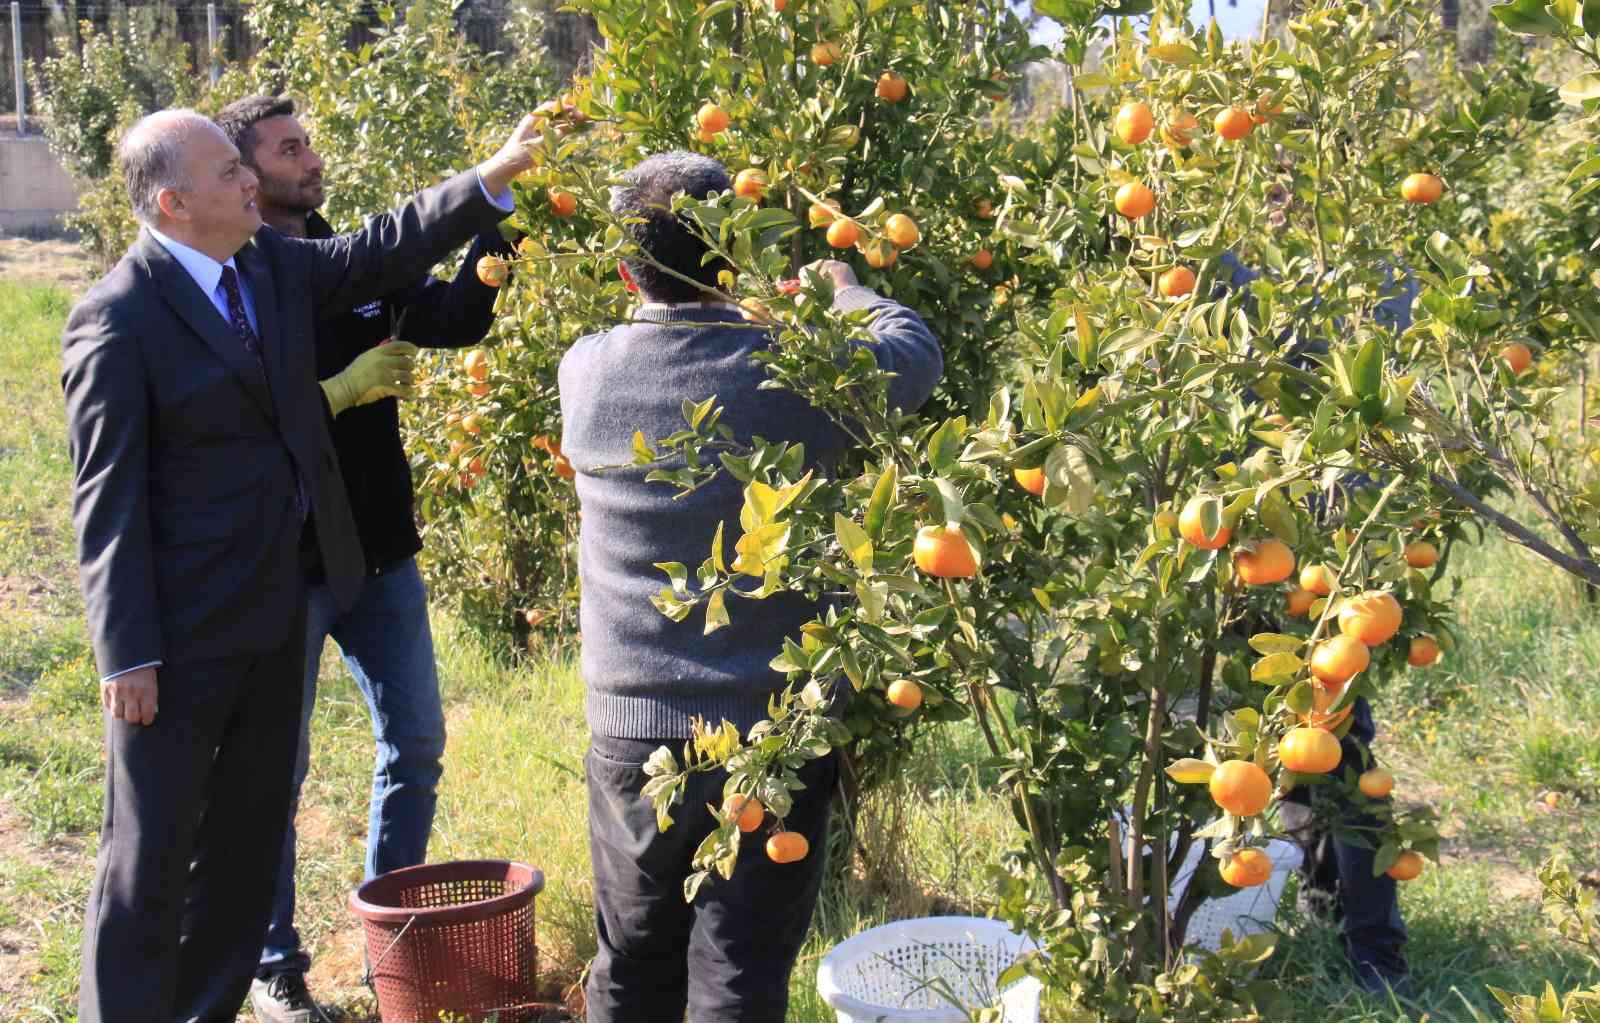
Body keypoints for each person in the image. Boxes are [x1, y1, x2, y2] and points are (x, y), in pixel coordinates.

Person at [62, 106, 535, 1023]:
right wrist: (126, 653)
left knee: (243, 850)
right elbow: (105, 499)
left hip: (277, 614)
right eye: (227, 170)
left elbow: (377, 251)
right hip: (179, 638)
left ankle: (203, 1009)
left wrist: (488, 180)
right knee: (149, 858)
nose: (249, 179)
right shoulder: (117, 319)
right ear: (172, 200)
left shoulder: (270, 268)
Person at [558, 151, 943, 1022]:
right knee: (737, 969)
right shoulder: (796, 377)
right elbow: (913, 353)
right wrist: (841, 293)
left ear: (626, 270)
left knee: (631, 957)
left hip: (632, 730)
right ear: (747, 255)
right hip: (771, 730)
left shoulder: (585, 371)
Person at [213, 94, 517, 1023]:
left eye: (308, 144)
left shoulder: (350, 257)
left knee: (416, 741)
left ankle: (395, 934)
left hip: (379, 547)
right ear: (242, 176)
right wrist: (337, 392)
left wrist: (504, 235)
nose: (310, 159)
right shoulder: (237, 278)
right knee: (278, 767)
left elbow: (454, 319)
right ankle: (273, 963)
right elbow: (233, 412)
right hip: (284, 559)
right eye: (287, 149)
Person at [1215, 248, 1416, 996]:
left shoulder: (1353, 268)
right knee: (1299, 740)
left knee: (1332, 742)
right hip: (1262, 548)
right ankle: (1331, 902)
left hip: (1315, 561)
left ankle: (1374, 943)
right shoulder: (1356, 266)